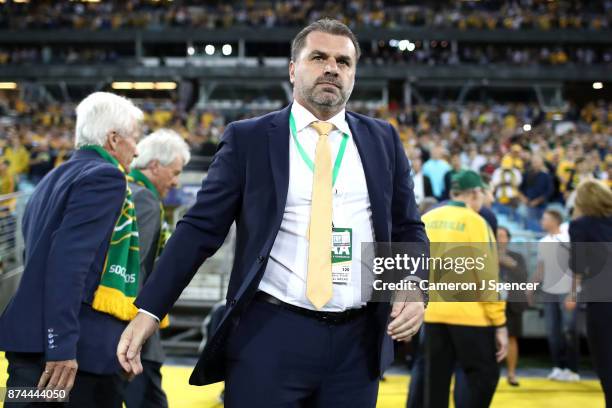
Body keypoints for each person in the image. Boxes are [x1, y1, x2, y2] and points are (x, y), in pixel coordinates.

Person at [118, 18, 428, 408]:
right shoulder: (248, 138)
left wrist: (413, 285)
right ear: (293, 69)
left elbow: (407, 227)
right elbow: (199, 230)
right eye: (319, 57)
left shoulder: (383, 139)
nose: (332, 68)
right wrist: (150, 309)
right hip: (269, 334)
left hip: (358, 343)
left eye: (344, 62)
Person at [0, 92, 143, 407]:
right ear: (114, 139)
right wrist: (62, 346)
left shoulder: (52, 178)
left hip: (30, 346)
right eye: (135, 138)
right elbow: (68, 264)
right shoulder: (106, 178)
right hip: (72, 357)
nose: (137, 149)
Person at [419, 170, 507, 408]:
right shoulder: (476, 222)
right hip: (471, 317)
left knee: (434, 383)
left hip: (432, 314)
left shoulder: (428, 218)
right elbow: (488, 277)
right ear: (475, 193)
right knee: (482, 378)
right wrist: (499, 323)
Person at [123, 129, 190, 408]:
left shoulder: (127, 189)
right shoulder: (144, 201)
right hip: (134, 329)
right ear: (154, 166)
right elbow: (134, 269)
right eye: (174, 173)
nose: (176, 182)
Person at [569, 179, 612, 407]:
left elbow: (578, 263)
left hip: (602, 302)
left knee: (606, 364)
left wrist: (572, 292)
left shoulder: (581, 224)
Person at [528, 208, 579, 382]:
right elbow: (541, 269)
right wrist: (532, 286)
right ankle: (558, 366)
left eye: (545, 218)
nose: (542, 221)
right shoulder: (542, 242)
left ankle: (572, 368)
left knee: (569, 329)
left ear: (555, 221)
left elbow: (575, 268)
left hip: (566, 289)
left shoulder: (568, 239)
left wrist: (573, 292)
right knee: (552, 330)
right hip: (549, 290)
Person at [497, 226, 528, 386]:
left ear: (508, 239)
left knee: (512, 337)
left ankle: (511, 373)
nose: (500, 239)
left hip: (512, 303)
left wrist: (509, 263)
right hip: (491, 302)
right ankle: (491, 373)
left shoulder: (517, 257)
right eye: (497, 236)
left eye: (502, 236)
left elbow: (524, 276)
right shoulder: (486, 256)